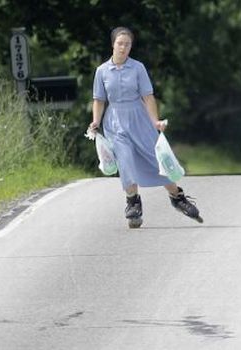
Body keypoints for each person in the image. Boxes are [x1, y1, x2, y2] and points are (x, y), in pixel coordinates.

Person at [88, 26, 202, 228]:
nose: (123, 48)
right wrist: (96, 121)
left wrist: (155, 121)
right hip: (114, 122)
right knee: (125, 161)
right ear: (113, 45)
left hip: (139, 118)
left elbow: (148, 97)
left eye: (127, 44)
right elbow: (99, 99)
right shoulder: (102, 71)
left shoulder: (138, 68)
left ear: (131, 47)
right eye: (120, 43)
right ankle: (133, 202)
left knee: (156, 160)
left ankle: (177, 197)